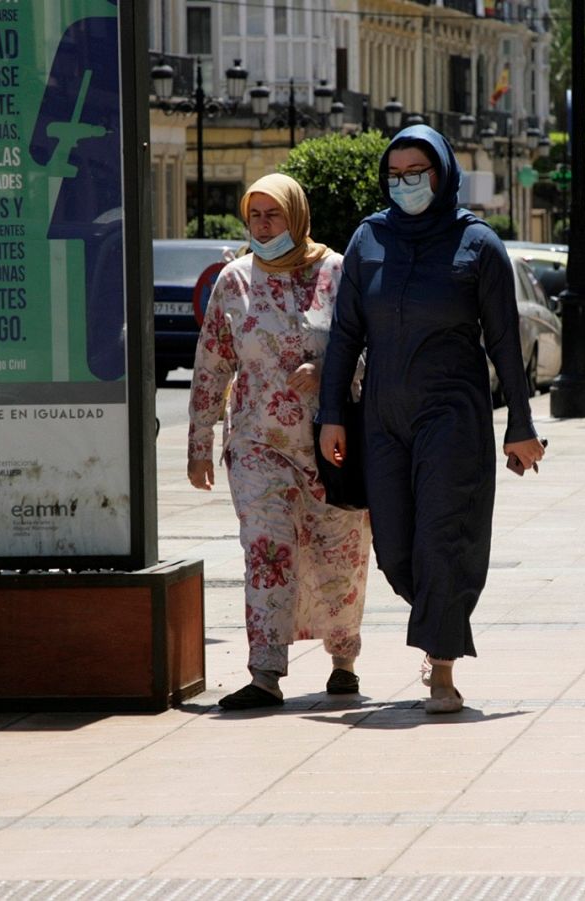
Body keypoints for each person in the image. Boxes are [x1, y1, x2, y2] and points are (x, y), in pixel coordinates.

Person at [318, 125, 545, 714]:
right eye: (395, 175)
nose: (406, 184)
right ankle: (440, 620)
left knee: (443, 537)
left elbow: (504, 343)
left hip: (453, 415)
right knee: (396, 549)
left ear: (442, 174)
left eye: (417, 172)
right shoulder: (369, 239)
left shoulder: (478, 244)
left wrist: (521, 425)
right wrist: (331, 415)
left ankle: (441, 666)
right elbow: (345, 334)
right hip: (382, 418)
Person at [187, 174, 373, 711]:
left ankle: (343, 659)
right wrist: (200, 442)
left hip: (329, 442)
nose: (264, 226)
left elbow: (367, 345)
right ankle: (265, 671)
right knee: (266, 550)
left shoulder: (337, 272)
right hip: (256, 444)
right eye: (256, 216)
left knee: (339, 550)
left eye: (274, 214)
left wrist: (330, 370)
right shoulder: (234, 281)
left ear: (297, 215)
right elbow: (211, 365)